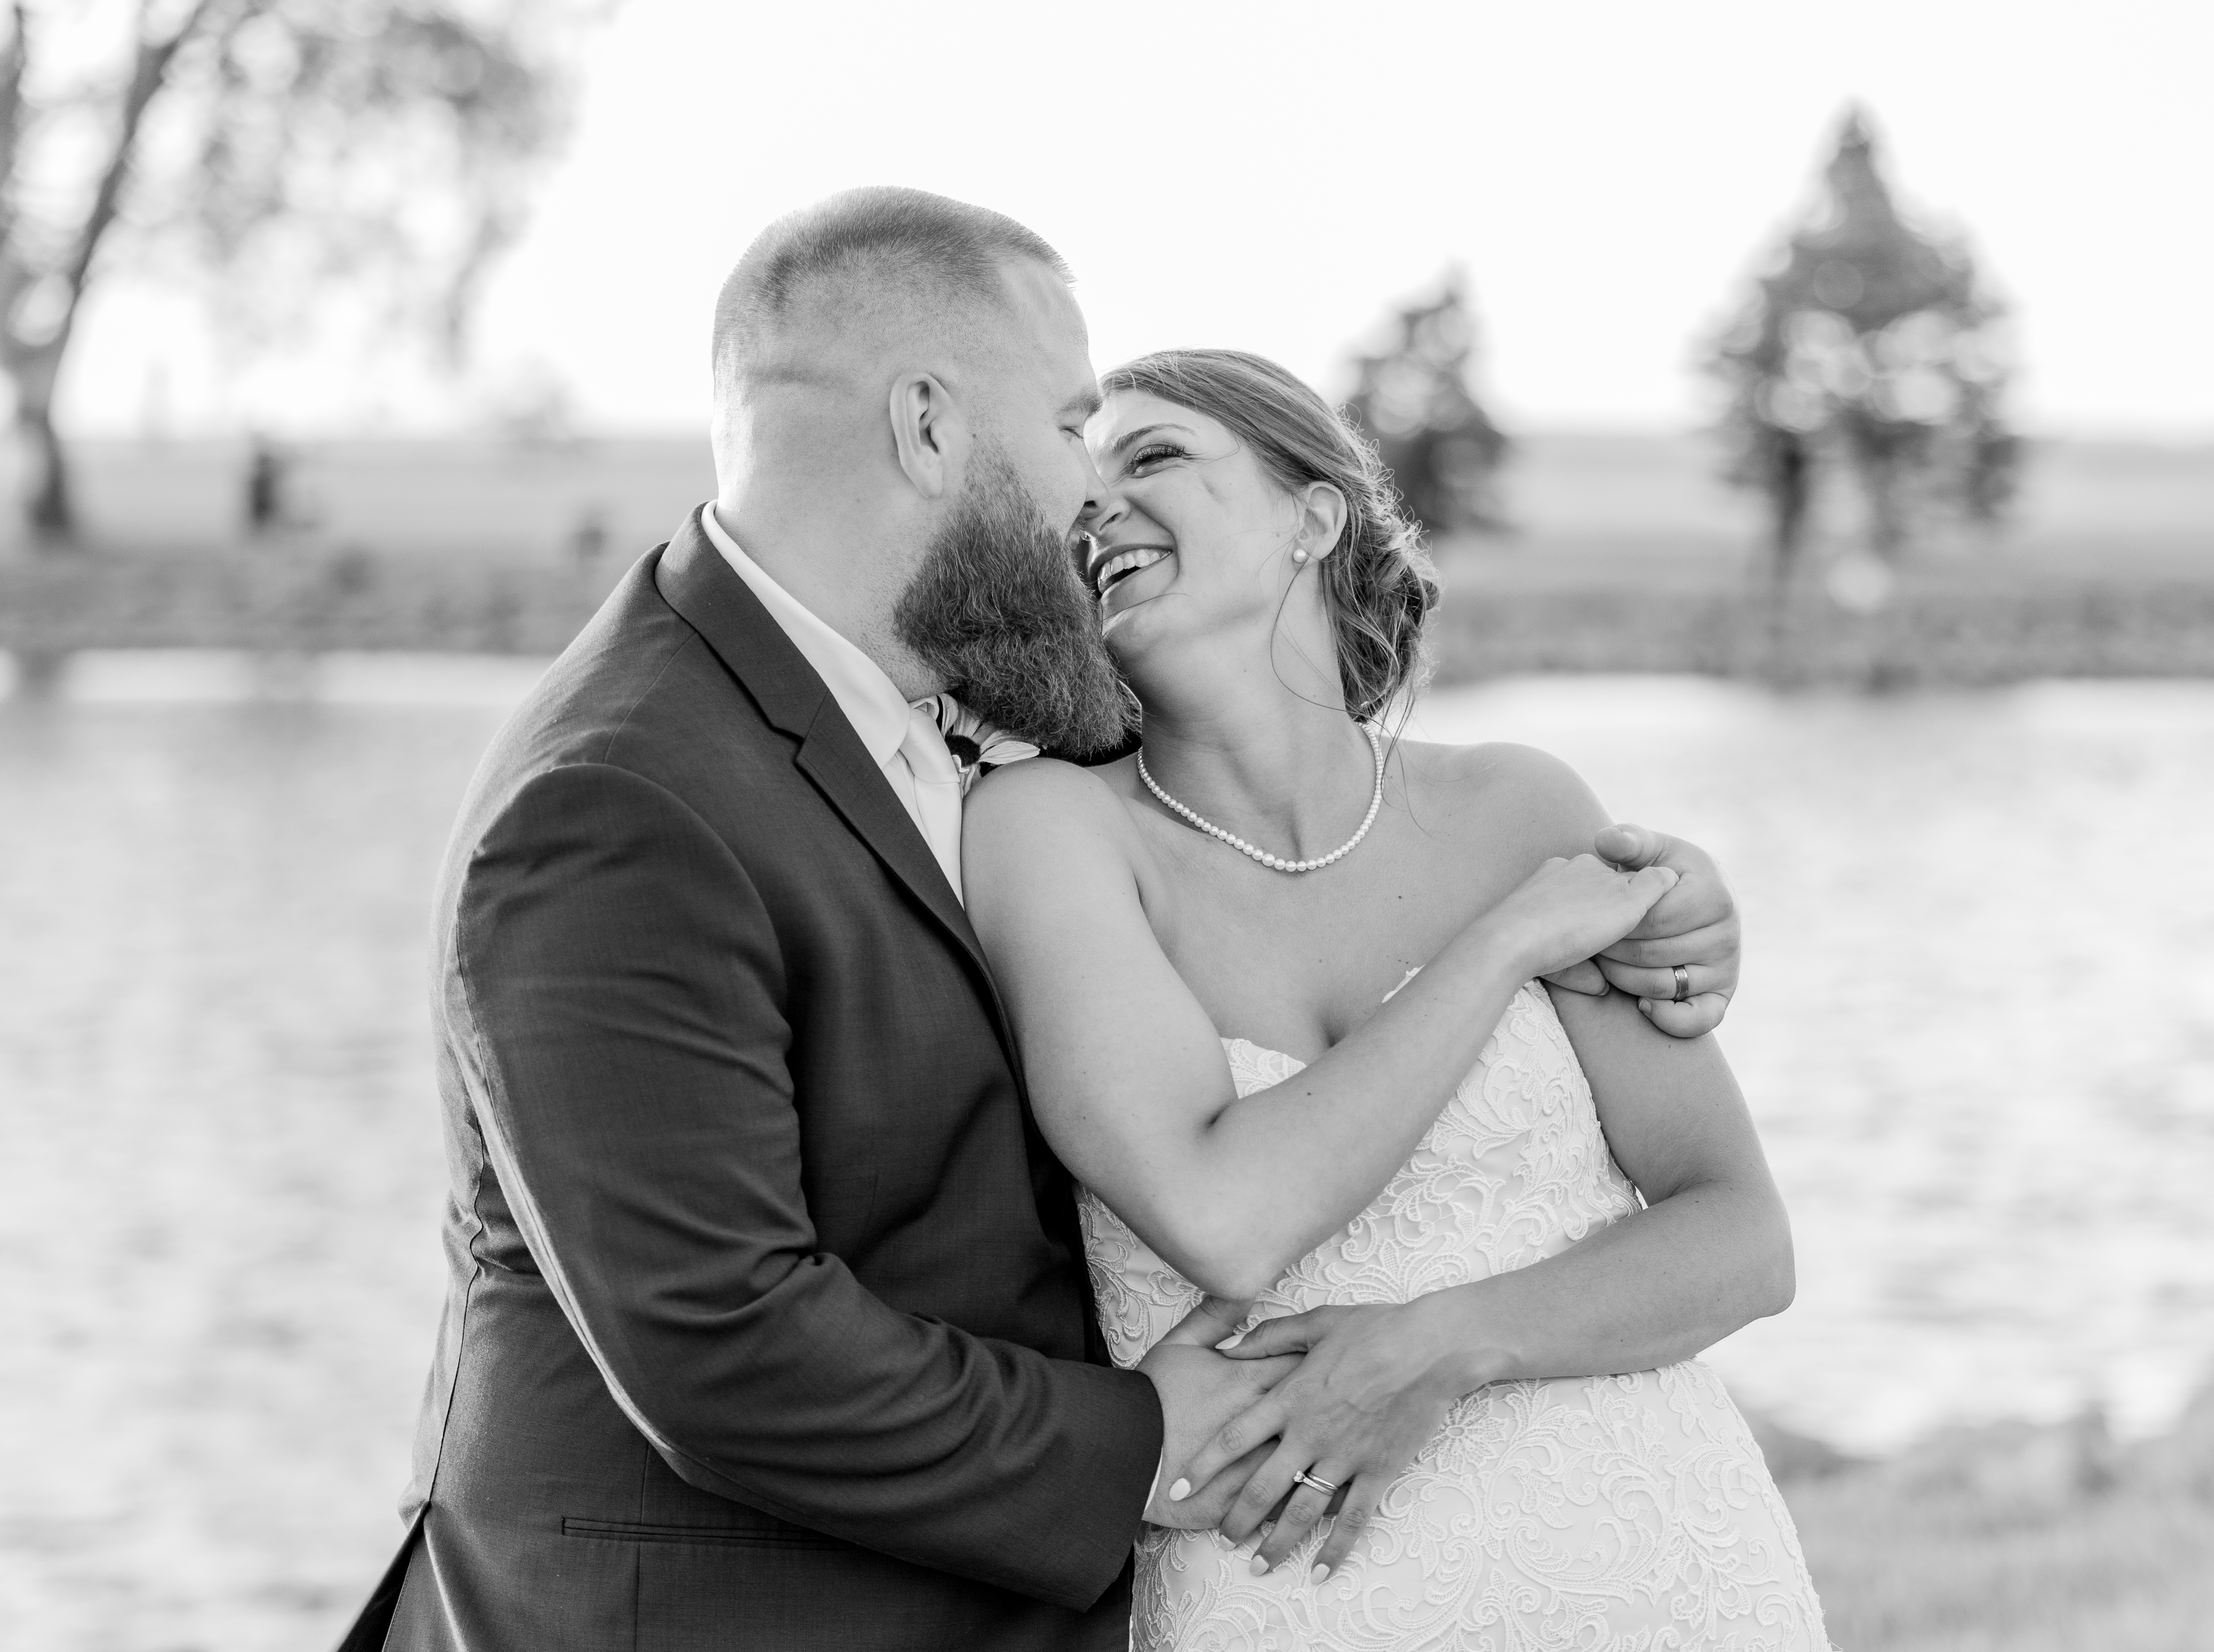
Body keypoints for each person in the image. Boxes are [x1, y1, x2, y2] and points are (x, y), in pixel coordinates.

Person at [339, 188, 1745, 1652]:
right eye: (1074, 425)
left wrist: (1663, 907)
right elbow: (721, 1341)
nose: (1090, 494)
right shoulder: (624, 793)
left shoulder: (954, 725)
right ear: (933, 429)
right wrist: (1133, 1441)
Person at [962, 349, 1828, 1647]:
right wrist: (1502, 944)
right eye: (1080, 488)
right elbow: (1223, 1219)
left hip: (1664, 1564)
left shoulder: (1517, 808)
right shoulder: (1052, 833)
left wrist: (1441, 1344)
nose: (1100, 509)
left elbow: (1743, 1240)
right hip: (1298, 1594)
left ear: (1313, 517)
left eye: (1152, 459)